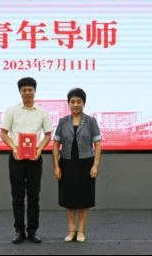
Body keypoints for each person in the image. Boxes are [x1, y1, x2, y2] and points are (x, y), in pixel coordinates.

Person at [0, 77, 53, 244]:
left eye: (30, 89)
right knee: (17, 196)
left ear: (35, 91)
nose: (28, 92)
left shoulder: (43, 112)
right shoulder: (12, 111)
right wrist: (14, 148)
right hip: (16, 157)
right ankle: (19, 231)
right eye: (24, 90)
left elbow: (48, 135)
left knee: (33, 197)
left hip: (35, 158)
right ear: (20, 92)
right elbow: (3, 133)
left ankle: (32, 231)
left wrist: (39, 149)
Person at [52, 87, 102, 243]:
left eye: (78, 101)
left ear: (83, 103)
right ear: (68, 103)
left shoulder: (91, 121)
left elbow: (98, 144)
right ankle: (71, 230)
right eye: (72, 101)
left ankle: (81, 231)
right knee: (69, 199)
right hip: (66, 164)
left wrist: (95, 165)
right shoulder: (62, 122)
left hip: (86, 164)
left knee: (84, 199)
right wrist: (56, 166)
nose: (75, 105)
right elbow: (56, 145)